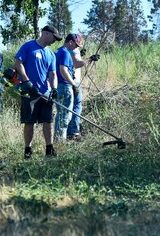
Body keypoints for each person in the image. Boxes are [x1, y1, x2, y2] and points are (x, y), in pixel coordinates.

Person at [14, 25, 61, 158]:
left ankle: (49, 149)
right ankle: (27, 150)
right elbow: (18, 62)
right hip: (29, 92)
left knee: (48, 121)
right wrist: (26, 81)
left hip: (45, 93)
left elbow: (53, 74)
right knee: (29, 122)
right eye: (54, 37)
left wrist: (54, 89)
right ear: (46, 33)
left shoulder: (51, 54)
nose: (55, 41)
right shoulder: (28, 46)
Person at [54, 33, 83, 142]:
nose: (76, 48)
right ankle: (60, 142)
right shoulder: (65, 53)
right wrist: (74, 84)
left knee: (60, 115)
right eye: (75, 45)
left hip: (58, 86)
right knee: (65, 116)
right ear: (70, 42)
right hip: (65, 87)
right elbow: (63, 71)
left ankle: (58, 140)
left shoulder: (57, 51)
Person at [67, 46, 100, 139]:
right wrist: (90, 59)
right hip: (73, 82)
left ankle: (68, 131)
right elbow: (76, 64)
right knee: (77, 106)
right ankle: (73, 131)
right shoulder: (72, 50)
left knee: (69, 106)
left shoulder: (65, 51)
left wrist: (80, 56)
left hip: (68, 82)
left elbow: (72, 62)